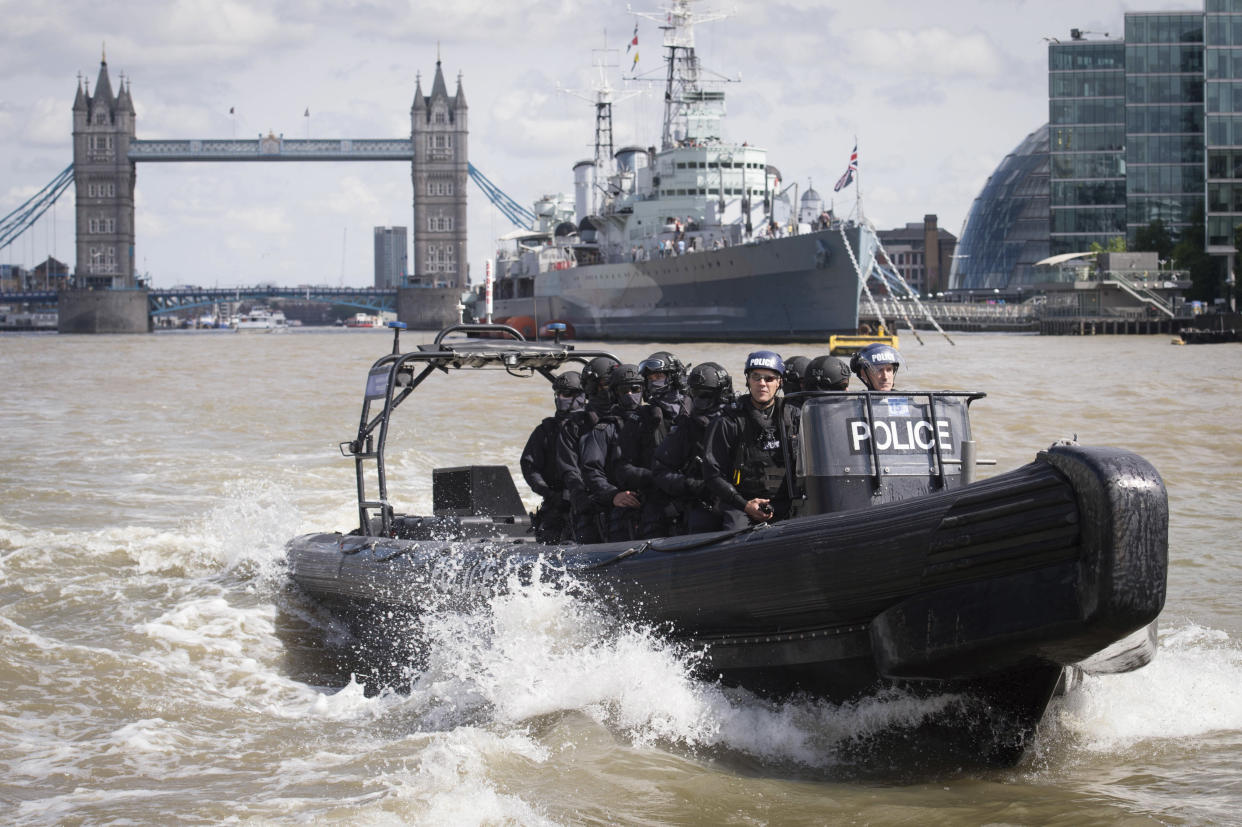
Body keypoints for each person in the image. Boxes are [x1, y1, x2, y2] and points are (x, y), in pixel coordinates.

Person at [703, 350, 801, 530]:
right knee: (733, 538)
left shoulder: (794, 416)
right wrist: (744, 504)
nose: (762, 384)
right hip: (740, 504)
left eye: (769, 379)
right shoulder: (728, 420)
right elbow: (712, 474)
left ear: (779, 382)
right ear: (748, 380)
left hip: (787, 502)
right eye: (756, 377)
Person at [653, 361, 735, 534]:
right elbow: (660, 470)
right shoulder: (686, 427)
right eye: (695, 394)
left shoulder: (737, 421)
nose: (698, 400)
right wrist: (692, 485)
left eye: (705, 395)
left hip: (740, 497)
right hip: (704, 502)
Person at [579, 364, 650, 541]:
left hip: (653, 500)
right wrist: (613, 495)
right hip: (621, 505)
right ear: (614, 393)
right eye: (624, 390)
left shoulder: (654, 423)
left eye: (635, 389)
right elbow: (591, 470)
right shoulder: (604, 430)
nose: (630, 394)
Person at [556, 355, 619, 544]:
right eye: (607, 384)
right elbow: (570, 470)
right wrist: (585, 498)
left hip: (624, 501)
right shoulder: (575, 427)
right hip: (590, 504)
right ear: (591, 387)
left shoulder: (629, 421)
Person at [520, 371, 583, 542]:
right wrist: (549, 493)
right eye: (559, 394)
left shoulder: (594, 426)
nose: (562, 398)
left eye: (568, 394)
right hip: (556, 504)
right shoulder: (546, 430)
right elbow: (529, 466)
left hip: (588, 502)